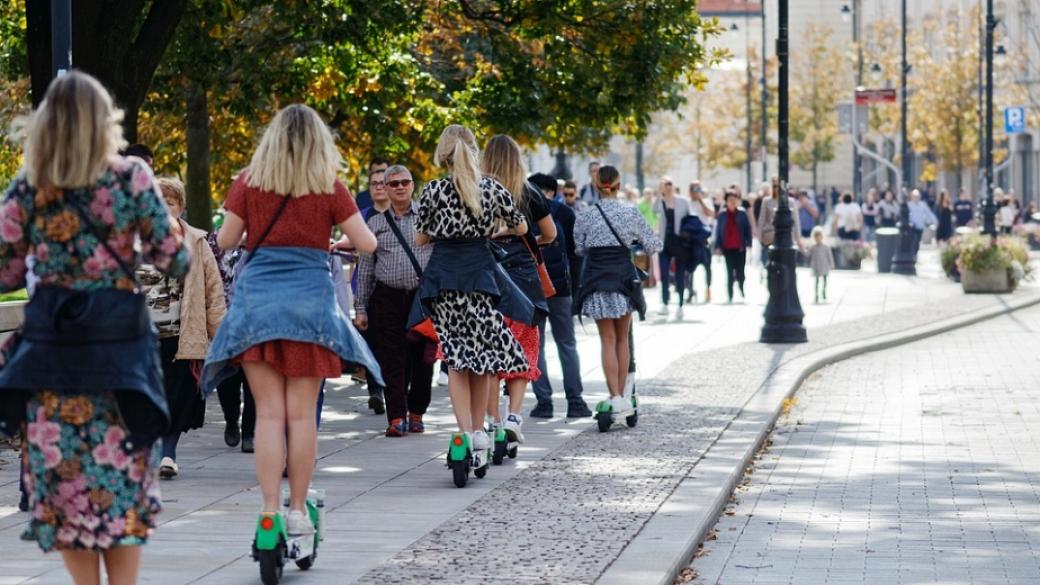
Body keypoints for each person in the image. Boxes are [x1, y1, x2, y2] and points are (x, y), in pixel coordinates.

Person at [0, 71, 189, 585]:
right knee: (121, 486)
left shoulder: (30, 185)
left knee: (67, 492)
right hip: (119, 359)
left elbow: (7, 272)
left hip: (53, 360)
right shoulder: (131, 177)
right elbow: (174, 260)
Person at [203, 104, 381, 537]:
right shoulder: (329, 186)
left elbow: (225, 241)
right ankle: (298, 510)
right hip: (310, 306)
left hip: (257, 303)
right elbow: (368, 244)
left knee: (267, 414)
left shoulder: (248, 182)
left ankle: (268, 510)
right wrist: (326, 237)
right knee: (300, 416)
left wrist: (257, 233)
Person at [410, 124, 531, 471]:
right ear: (474, 150)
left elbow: (420, 240)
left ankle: (464, 431)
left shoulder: (433, 191)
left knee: (455, 359)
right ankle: (479, 431)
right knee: (483, 359)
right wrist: (494, 229)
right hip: (481, 277)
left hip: (445, 280)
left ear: (443, 153)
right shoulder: (491, 188)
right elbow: (522, 226)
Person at [144, 178, 226, 481]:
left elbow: (213, 291)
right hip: (141, 337)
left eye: (171, 202)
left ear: (181, 208)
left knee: (179, 396)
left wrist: (221, 333)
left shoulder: (196, 241)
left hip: (181, 335)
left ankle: (168, 452)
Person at [482, 135, 556, 445]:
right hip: (525, 279)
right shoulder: (530, 191)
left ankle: (492, 420)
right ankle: (513, 416)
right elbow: (550, 234)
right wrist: (527, 243)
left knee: (488, 353)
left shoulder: (479, 191)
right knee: (524, 348)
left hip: (490, 275)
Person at [573, 165, 661, 416]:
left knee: (607, 340)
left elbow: (579, 247)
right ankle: (623, 397)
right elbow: (654, 244)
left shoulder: (586, 215)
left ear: (597, 186)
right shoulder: (630, 213)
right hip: (624, 280)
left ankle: (613, 396)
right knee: (623, 339)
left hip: (597, 280)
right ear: (619, 186)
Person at [354, 165, 435, 436]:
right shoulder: (374, 224)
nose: (400, 187)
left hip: (422, 300)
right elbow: (364, 268)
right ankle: (397, 417)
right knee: (391, 359)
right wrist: (361, 308)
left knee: (423, 360)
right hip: (387, 298)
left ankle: (417, 412)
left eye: (405, 182)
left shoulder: (428, 218)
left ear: (413, 185)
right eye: (394, 183)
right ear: (386, 189)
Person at [526, 173, 590, 419]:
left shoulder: (525, 213)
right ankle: (575, 400)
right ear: (553, 191)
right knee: (567, 343)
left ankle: (544, 402)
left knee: (536, 346)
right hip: (561, 289)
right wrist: (574, 289)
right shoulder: (564, 214)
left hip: (532, 290)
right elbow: (575, 257)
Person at [340, 167, 389, 415]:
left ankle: (390, 388)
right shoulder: (363, 215)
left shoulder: (400, 213)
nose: (379, 187)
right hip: (367, 285)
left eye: (383, 182)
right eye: (374, 184)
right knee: (370, 340)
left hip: (393, 286)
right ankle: (376, 391)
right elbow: (348, 240)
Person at [207, 221, 256, 453]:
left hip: (254, 321)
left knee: (255, 377)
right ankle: (231, 420)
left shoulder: (264, 240)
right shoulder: (216, 242)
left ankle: (249, 433)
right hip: (223, 321)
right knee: (228, 379)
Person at [655, 177, 690, 317]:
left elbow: (690, 217)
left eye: (670, 183)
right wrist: (659, 193)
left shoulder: (683, 201)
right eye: (665, 184)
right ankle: (665, 303)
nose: (668, 186)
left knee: (680, 275)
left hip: (680, 243)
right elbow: (654, 210)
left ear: (674, 185)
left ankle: (681, 305)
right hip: (664, 243)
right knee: (664, 274)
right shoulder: (660, 201)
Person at [714, 190, 753, 303]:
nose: (733, 202)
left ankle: (741, 287)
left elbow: (747, 229)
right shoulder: (722, 215)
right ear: (726, 201)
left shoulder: (742, 213)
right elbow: (718, 231)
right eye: (730, 200)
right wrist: (718, 246)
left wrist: (749, 243)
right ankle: (730, 294)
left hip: (740, 247)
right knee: (729, 272)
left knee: (741, 271)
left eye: (734, 199)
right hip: (727, 247)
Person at [685, 180, 716, 304]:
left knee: (708, 267)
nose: (695, 191)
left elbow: (711, 213)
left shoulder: (706, 201)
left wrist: (700, 200)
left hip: (704, 240)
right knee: (689, 269)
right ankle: (690, 291)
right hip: (691, 241)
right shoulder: (686, 203)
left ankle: (708, 289)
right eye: (693, 189)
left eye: (698, 188)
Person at [906, 189, 938, 257]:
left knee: (917, 241)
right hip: (912, 227)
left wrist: (935, 221)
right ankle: (912, 255)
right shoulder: (909, 205)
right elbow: (906, 216)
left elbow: (929, 213)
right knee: (913, 241)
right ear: (912, 197)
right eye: (914, 196)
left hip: (920, 227)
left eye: (917, 196)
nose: (916, 198)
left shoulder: (923, 205)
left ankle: (915, 254)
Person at [808, 226, 833, 303]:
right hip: (816, 266)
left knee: (825, 280)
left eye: (819, 236)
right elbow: (808, 255)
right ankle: (816, 294)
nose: (818, 238)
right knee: (817, 281)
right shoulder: (813, 247)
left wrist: (831, 264)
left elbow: (829, 256)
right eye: (816, 237)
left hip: (824, 266)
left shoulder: (826, 247)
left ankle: (824, 292)